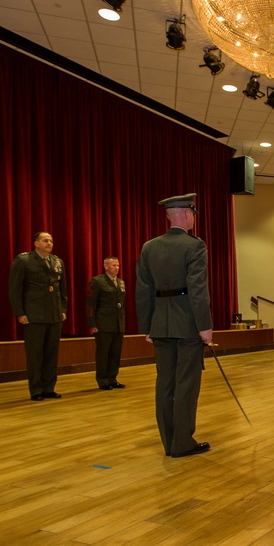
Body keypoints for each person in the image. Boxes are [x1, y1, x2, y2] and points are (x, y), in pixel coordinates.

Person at [135, 193, 212, 458]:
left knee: (164, 384)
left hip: (160, 324)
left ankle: (169, 442)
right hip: (188, 324)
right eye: (193, 213)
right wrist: (205, 325)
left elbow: (143, 290)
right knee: (187, 384)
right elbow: (198, 289)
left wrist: (147, 326)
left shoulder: (149, 247)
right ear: (187, 214)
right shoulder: (194, 246)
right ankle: (182, 443)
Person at [8, 231, 68, 401]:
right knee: (35, 354)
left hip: (54, 314)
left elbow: (63, 289)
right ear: (36, 243)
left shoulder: (57, 261)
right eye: (45, 240)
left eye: (51, 240)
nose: (49, 243)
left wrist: (63, 309)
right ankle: (36, 390)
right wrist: (19, 313)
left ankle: (49, 388)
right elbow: (14, 289)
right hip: (34, 314)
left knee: (51, 353)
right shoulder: (24, 260)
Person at [86, 255, 127, 390]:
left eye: (118, 265)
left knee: (115, 353)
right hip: (103, 324)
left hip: (118, 324)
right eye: (113, 265)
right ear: (105, 266)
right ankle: (103, 380)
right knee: (103, 354)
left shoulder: (120, 282)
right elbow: (90, 304)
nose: (116, 268)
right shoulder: (97, 281)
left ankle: (112, 378)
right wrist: (92, 324)